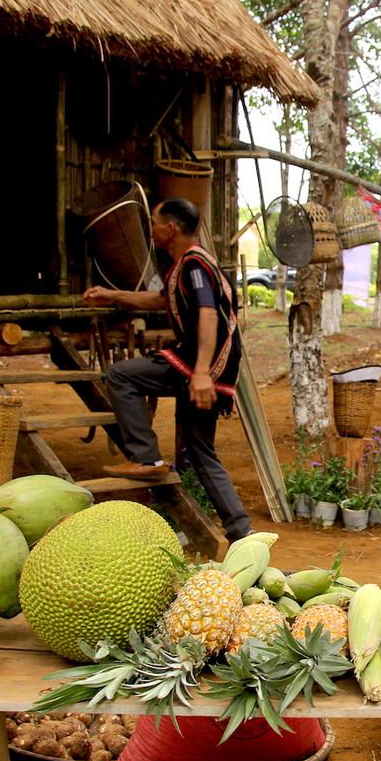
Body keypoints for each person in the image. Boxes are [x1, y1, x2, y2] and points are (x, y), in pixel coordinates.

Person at [82, 197, 253, 540]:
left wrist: (201, 373)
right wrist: (113, 296)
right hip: (208, 365)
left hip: (201, 365)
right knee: (201, 452)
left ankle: (147, 458)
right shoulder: (189, 265)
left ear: (170, 229)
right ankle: (242, 532)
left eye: (154, 223)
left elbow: (207, 313)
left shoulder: (193, 265)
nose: (150, 229)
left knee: (121, 375)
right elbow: (161, 300)